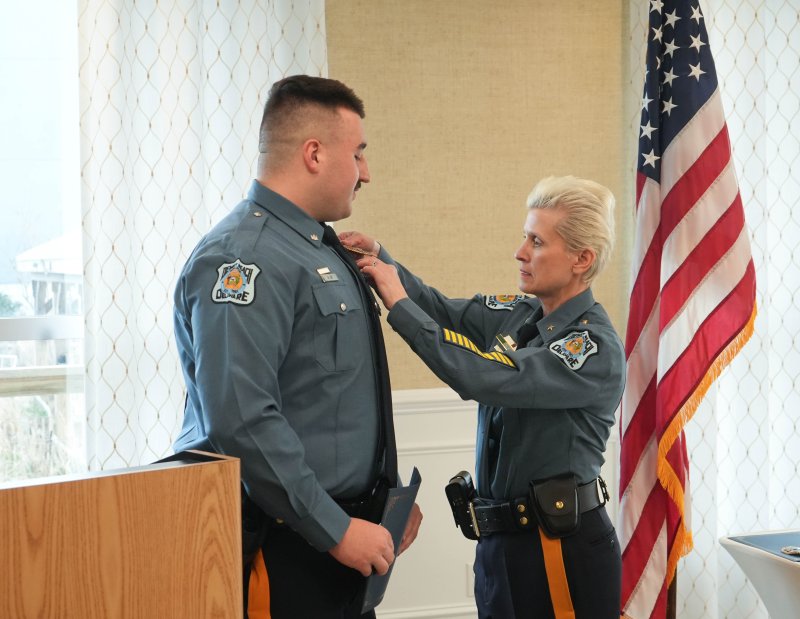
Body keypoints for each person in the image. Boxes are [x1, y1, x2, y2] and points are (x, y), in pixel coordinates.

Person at [172, 74, 421, 619]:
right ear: (314, 153)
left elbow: (334, 397)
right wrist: (335, 530)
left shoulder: (317, 247)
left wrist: (388, 501)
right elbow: (240, 420)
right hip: (284, 545)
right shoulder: (245, 257)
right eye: (358, 153)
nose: (367, 173)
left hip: (342, 542)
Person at [342, 175, 624, 618]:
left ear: (581, 259)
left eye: (536, 241)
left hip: (558, 549)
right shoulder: (522, 313)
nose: (520, 252)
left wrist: (397, 305)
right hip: (500, 547)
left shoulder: (591, 348)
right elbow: (442, 309)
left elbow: (482, 377)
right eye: (524, 236)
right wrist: (384, 261)